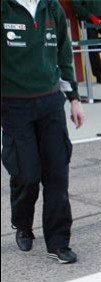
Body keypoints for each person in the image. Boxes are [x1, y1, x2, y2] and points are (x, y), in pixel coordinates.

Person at [1, 0, 86, 264]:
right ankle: (22, 222)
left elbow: (63, 53)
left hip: (50, 103)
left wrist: (73, 98)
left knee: (57, 175)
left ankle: (59, 243)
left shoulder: (51, 8)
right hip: (14, 104)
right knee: (26, 175)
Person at [72, 0, 101, 84]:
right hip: (87, 20)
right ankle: (100, 76)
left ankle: (98, 49)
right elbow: (77, 6)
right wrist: (91, 16)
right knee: (92, 46)